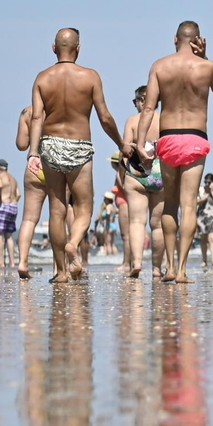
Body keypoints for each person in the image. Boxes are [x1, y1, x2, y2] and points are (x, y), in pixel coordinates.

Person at [26, 28, 126, 282]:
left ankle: (60, 272)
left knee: (56, 209)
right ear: (78, 49)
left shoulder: (42, 78)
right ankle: (74, 243)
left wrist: (33, 152)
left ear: (54, 48)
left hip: (49, 144)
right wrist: (121, 143)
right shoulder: (90, 77)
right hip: (79, 146)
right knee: (84, 207)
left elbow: (37, 117)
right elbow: (105, 117)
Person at [131, 21, 213, 284]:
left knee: (169, 205)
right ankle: (183, 270)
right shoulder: (208, 67)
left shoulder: (160, 66)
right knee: (188, 206)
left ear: (176, 39)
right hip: (195, 138)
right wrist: (205, 57)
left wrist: (140, 144)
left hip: (168, 138)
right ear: (198, 40)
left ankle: (170, 267)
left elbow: (149, 109)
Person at [119, 85, 166, 279]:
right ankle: (156, 268)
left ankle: (137, 263)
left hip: (137, 171)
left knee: (137, 222)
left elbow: (125, 151)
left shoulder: (132, 121)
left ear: (141, 101)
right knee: (158, 225)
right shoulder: (164, 119)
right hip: (160, 170)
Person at [13, 104, 56, 278]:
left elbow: (21, 145)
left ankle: (23, 262)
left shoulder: (27, 112)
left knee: (29, 220)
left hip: (33, 167)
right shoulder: (59, 108)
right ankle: (58, 268)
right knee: (58, 217)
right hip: (56, 166)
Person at [0, 159, 19, 268]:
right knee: (9, 235)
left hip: (4, 205)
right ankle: (12, 263)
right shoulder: (13, 179)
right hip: (14, 206)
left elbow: (0, 185)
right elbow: (18, 194)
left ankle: (1, 262)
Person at [195, 174, 213, 267]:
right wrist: (204, 197)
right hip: (202, 216)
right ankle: (204, 261)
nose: (207, 184)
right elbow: (195, 201)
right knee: (203, 239)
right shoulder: (201, 189)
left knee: (212, 238)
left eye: (209, 182)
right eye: (205, 181)